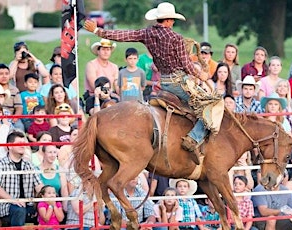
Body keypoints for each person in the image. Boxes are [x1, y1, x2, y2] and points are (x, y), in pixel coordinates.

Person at [84, 2, 211, 163]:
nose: (172, 22)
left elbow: (124, 35)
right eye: (172, 20)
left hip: (163, 83)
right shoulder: (176, 38)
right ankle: (193, 139)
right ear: (169, 20)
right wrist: (201, 75)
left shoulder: (147, 33)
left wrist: (97, 30)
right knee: (209, 108)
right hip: (179, 83)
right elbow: (186, 64)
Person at [0, 131, 44, 226]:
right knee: (19, 210)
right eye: (19, 143)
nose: (23, 146)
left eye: (24, 143)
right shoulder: (0, 164)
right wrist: (14, 200)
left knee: (46, 207)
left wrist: (48, 197)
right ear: (9, 146)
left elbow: (39, 186)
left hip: (27, 204)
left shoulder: (29, 164)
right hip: (6, 206)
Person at [0, 64, 25, 131]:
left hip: (10, 116)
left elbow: (19, 107)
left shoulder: (14, 90)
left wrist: (15, 117)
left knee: (19, 127)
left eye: (6, 74)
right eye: (1, 74)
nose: (4, 76)